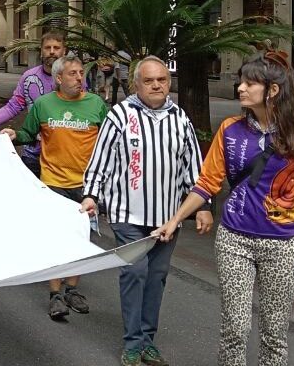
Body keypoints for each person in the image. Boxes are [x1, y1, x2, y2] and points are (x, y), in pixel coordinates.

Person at [152, 51, 294, 366]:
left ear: (272, 90)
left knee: (275, 333)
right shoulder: (230, 129)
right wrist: (174, 220)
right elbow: (206, 183)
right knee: (236, 328)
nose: (240, 88)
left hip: (283, 244)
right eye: (240, 82)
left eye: (249, 83)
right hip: (234, 240)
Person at [81, 56, 208, 366]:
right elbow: (101, 160)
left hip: (168, 217)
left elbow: (193, 168)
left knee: (157, 277)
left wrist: (202, 207)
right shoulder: (120, 116)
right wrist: (91, 195)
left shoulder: (180, 118)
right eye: (149, 80)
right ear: (136, 84)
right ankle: (133, 342)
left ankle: (147, 339)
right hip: (128, 214)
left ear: (168, 82)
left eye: (161, 80)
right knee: (134, 273)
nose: (156, 85)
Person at [0, 54, 108, 321]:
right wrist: (14, 135)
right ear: (58, 78)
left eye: (81, 73)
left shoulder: (96, 104)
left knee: (82, 241)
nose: (80, 78)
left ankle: (72, 290)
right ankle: (55, 295)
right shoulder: (44, 105)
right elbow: (28, 133)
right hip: (53, 183)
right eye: (73, 74)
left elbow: (108, 142)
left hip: (86, 186)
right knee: (57, 239)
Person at [0, 31, 70, 176]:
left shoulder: (75, 78)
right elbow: (13, 106)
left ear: (64, 51)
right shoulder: (29, 77)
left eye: (56, 48)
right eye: (47, 47)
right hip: (33, 154)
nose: (51, 52)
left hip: (64, 157)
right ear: (41, 50)